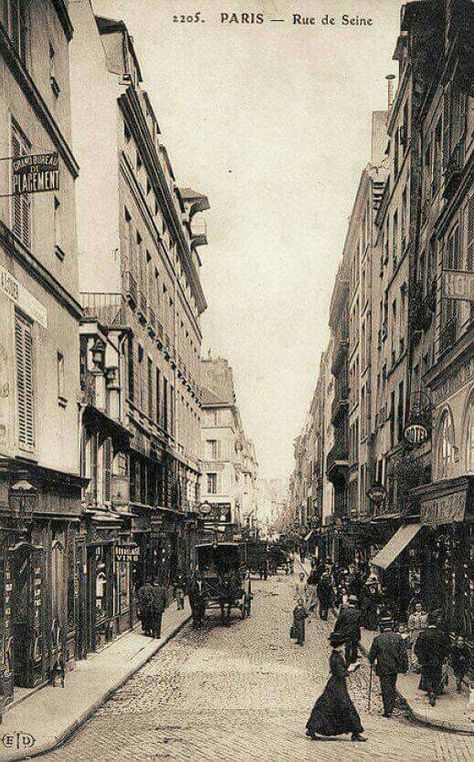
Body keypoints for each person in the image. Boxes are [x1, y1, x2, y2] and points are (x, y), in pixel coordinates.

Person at [306, 631, 366, 742]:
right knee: (346, 707)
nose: (344, 646)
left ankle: (312, 728)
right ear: (339, 645)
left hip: (335, 684)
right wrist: (350, 669)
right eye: (343, 644)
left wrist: (348, 667)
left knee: (325, 706)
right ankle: (355, 732)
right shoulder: (335, 657)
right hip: (337, 686)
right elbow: (339, 672)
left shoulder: (336, 656)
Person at [368, 617, 408, 718]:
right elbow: (403, 654)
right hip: (394, 667)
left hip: (383, 667)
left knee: (385, 687)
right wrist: (404, 667)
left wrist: (372, 661)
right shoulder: (398, 638)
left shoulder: (378, 639)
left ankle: (387, 710)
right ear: (391, 626)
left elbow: (372, 654)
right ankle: (390, 707)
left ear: (382, 626)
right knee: (392, 685)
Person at [414, 611, 451, 706]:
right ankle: (434, 691)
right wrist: (442, 658)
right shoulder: (441, 635)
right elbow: (446, 648)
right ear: (436, 623)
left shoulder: (423, 634)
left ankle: (430, 691)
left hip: (426, 661)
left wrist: (421, 659)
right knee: (436, 676)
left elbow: (417, 649)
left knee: (427, 676)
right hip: (437, 661)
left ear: (427, 623)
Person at [334, 594, 361, 666]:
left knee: (347, 647)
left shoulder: (344, 611)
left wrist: (336, 631)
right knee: (355, 646)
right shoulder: (358, 612)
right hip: (355, 632)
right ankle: (353, 660)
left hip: (346, 632)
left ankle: (347, 661)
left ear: (349, 602)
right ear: (355, 603)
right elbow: (360, 623)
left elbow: (338, 622)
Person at [408, 602, 428, 672]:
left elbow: (427, 623)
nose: (418, 607)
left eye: (419, 606)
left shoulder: (426, 615)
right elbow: (410, 626)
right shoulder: (412, 616)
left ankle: (423, 664)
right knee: (414, 647)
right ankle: (415, 664)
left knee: (424, 647)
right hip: (415, 632)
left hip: (423, 631)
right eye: (417, 606)